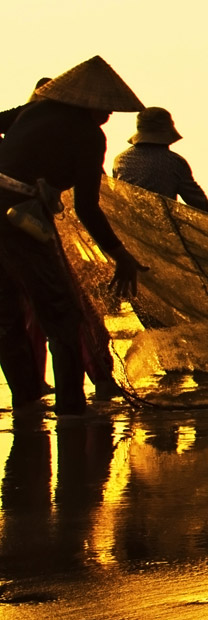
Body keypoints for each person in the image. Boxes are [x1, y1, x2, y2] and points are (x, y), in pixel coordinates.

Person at [0, 57, 146, 415]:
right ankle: (71, 409)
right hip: (18, 222)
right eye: (104, 108)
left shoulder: (30, 113)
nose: (108, 115)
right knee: (63, 315)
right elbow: (87, 208)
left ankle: (27, 404)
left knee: (6, 317)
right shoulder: (88, 136)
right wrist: (120, 254)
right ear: (85, 104)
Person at [112, 107, 208, 214]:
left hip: (126, 221)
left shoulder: (120, 160)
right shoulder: (175, 162)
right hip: (159, 225)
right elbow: (199, 203)